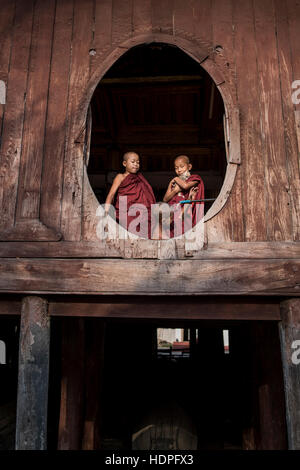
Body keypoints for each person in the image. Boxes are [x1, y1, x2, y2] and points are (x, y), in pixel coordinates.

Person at [105, 151, 156, 238]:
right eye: (133, 162)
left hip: (142, 212)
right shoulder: (120, 177)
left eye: (138, 162)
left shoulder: (140, 178)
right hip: (126, 211)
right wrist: (106, 212)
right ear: (124, 163)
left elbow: (147, 196)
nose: (136, 164)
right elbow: (111, 195)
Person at [163, 155, 204, 237]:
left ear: (189, 166)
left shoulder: (194, 178)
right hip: (173, 212)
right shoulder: (173, 183)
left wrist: (175, 178)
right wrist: (175, 190)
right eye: (176, 168)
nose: (179, 170)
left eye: (182, 166)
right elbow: (165, 199)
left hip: (186, 212)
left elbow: (185, 186)